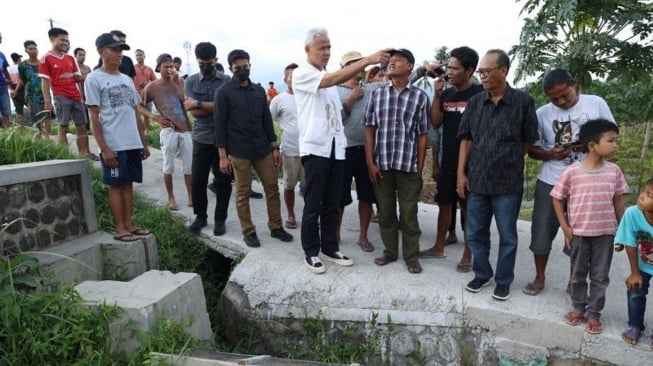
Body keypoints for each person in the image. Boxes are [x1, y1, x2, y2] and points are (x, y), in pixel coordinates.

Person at [292, 26, 390, 274]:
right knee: (314, 203)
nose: (326, 52)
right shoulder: (304, 74)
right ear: (308, 50)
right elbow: (331, 80)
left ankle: (329, 247)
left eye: (328, 47)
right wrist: (367, 61)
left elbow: (338, 115)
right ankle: (311, 252)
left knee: (333, 202)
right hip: (316, 150)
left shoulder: (329, 80)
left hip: (337, 150)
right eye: (321, 47)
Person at [523, 68, 616, 296]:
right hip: (551, 181)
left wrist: (586, 146)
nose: (561, 101)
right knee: (542, 231)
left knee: (579, 234)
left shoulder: (595, 104)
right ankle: (539, 276)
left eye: (565, 95)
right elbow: (532, 150)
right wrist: (550, 154)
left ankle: (573, 279)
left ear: (574, 83)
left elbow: (611, 137)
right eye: (554, 98)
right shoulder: (542, 113)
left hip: (587, 183)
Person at [457, 49, 539, 301]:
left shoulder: (523, 103)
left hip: (507, 184)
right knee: (474, 233)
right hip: (477, 181)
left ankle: (503, 280)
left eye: (486, 71)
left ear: (503, 71)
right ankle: (482, 273)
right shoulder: (474, 103)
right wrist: (461, 172)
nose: (482, 76)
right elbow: (466, 139)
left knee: (508, 236)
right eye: (480, 71)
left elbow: (528, 140)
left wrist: (509, 158)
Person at [551, 118, 628, 335]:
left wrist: (623, 231)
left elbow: (618, 202)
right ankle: (578, 308)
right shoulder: (572, 172)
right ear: (593, 145)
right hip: (579, 234)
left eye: (615, 140)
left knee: (600, 276)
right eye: (611, 140)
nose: (615, 145)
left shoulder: (614, 171)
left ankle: (594, 313)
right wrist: (565, 228)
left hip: (605, 234)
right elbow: (557, 198)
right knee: (577, 273)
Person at [215, 49, 293, 247]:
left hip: (262, 148)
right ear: (231, 69)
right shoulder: (224, 92)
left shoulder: (258, 91)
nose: (242, 70)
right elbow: (220, 124)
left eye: (245, 67)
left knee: (272, 187)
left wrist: (274, 146)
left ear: (250, 66)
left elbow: (267, 120)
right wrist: (223, 156)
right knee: (243, 191)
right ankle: (248, 231)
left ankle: (276, 227)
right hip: (239, 150)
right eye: (237, 68)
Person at [418, 46, 484, 275]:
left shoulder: (479, 94)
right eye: (449, 68)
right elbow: (435, 123)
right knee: (444, 203)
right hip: (448, 161)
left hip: (472, 164)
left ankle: (468, 253)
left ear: (469, 70)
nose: (450, 73)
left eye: (455, 69)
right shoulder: (446, 94)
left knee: (469, 208)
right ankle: (438, 246)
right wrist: (437, 96)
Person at [364, 48, 429, 274]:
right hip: (382, 164)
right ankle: (390, 252)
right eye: (390, 61)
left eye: (398, 61)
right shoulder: (377, 94)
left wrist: (419, 167)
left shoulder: (420, 97)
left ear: (410, 66)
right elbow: (370, 129)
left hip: (408, 164)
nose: (391, 64)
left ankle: (411, 257)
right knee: (386, 211)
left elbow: (422, 134)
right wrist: (370, 162)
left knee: (409, 214)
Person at [85, 32, 151, 242]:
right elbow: (93, 117)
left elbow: (135, 111)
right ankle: (120, 228)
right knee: (115, 183)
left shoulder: (126, 79)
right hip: (113, 143)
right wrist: (104, 148)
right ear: (101, 52)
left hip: (132, 142)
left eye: (121, 50)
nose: (119, 54)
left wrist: (143, 141)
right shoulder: (94, 79)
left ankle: (129, 224)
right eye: (114, 50)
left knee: (128, 182)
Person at [336, 50, 383, 253]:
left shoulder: (370, 88)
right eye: (353, 64)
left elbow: (395, 83)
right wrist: (352, 99)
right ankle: (335, 233)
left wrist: (423, 71)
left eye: (360, 63)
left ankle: (363, 236)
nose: (358, 67)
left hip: (365, 150)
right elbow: (336, 121)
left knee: (366, 196)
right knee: (339, 196)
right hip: (343, 150)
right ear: (344, 68)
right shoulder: (334, 90)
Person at [184, 42, 232, 236]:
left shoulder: (227, 81)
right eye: (202, 63)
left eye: (210, 62)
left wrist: (199, 103)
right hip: (201, 138)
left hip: (224, 140)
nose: (206, 66)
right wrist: (210, 107)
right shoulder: (191, 82)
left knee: (223, 182)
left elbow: (227, 109)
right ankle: (200, 216)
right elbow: (194, 112)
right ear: (197, 61)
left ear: (216, 61)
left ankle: (220, 219)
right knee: (198, 181)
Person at [138, 53, 193, 211]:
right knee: (168, 165)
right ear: (158, 68)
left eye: (172, 66)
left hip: (184, 128)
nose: (170, 69)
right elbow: (139, 105)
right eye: (166, 66)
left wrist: (178, 84)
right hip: (167, 129)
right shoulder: (152, 87)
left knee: (188, 165)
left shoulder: (180, 81)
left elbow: (185, 102)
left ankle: (190, 195)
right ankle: (171, 197)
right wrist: (153, 117)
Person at [39, 27, 97, 160]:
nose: (65, 43)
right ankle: (63, 156)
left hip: (76, 96)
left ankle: (85, 153)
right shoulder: (45, 58)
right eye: (62, 40)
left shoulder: (70, 58)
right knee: (63, 126)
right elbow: (45, 81)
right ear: (52, 39)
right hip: (60, 96)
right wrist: (47, 101)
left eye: (67, 40)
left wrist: (94, 74)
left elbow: (77, 77)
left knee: (81, 125)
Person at [616, 178, 653, 345]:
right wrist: (635, 272)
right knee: (635, 289)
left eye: (649, 195)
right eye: (644, 191)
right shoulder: (632, 213)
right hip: (642, 263)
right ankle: (635, 326)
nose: (641, 196)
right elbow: (630, 242)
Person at [269, 62, 304, 230]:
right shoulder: (279, 100)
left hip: (311, 150)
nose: (296, 80)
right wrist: (274, 148)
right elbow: (269, 123)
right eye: (292, 77)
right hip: (290, 150)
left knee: (312, 186)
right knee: (289, 185)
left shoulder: (309, 96)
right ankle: (291, 214)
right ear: (285, 80)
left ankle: (313, 215)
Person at [16, 40, 51, 138]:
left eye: (35, 48)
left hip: (45, 93)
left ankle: (48, 137)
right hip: (32, 95)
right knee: (36, 117)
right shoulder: (22, 65)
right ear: (26, 51)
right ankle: (40, 132)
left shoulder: (43, 63)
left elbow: (48, 78)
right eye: (31, 49)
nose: (34, 51)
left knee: (48, 115)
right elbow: (22, 80)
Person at [134, 49, 157, 131]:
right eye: (137, 55)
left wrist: (147, 83)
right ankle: (139, 133)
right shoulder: (133, 68)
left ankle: (147, 133)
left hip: (147, 96)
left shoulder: (149, 69)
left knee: (147, 116)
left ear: (144, 56)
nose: (138, 57)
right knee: (136, 116)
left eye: (140, 55)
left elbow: (155, 82)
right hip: (136, 96)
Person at [74, 47, 92, 134]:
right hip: (78, 93)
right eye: (80, 55)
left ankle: (90, 129)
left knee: (90, 110)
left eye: (84, 55)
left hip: (88, 92)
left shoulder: (88, 68)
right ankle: (83, 129)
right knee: (81, 111)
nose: (82, 57)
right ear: (75, 56)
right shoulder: (73, 67)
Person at [8, 52, 25, 129]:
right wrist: (16, 90)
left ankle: (22, 131)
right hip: (22, 89)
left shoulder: (8, 68)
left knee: (18, 111)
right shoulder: (21, 67)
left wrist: (12, 90)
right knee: (31, 107)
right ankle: (39, 128)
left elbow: (6, 81)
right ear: (18, 59)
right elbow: (21, 80)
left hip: (12, 90)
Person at [0, 32, 12, 128]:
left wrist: (9, 80)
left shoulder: (1, 55)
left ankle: (7, 134)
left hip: (2, 86)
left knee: (5, 110)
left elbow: (4, 69)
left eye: (0, 38)